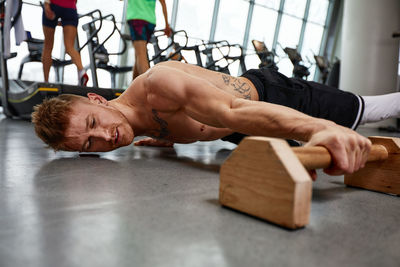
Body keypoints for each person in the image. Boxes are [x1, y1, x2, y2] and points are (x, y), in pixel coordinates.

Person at [32, 61, 400, 178]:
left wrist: (320, 126)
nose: (105, 139)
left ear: (97, 99)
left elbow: (232, 112)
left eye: (94, 124)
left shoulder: (158, 86)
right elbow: (186, 123)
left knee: (375, 111)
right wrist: (168, 137)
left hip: (274, 98)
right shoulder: (135, 125)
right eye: (88, 145)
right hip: (243, 135)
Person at [42, 0, 88, 85]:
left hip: (54, 5)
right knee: (70, 47)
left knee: (48, 46)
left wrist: (46, 4)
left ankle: (46, 81)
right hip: (70, 8)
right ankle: (82, 71)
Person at [126, 0, 172, 80]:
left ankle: (149, 88)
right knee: (139, 55)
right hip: (150, 21)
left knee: (140, 55)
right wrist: (166, 25)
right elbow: (163, 2)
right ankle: (132, 90)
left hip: (137, 18)